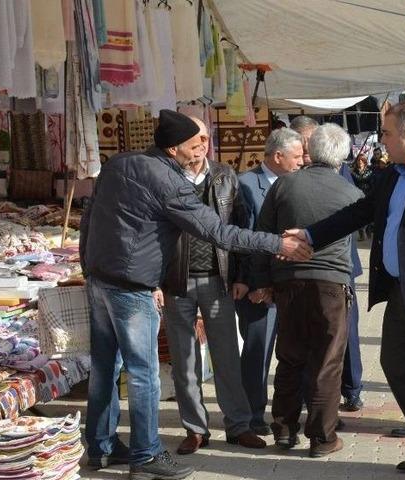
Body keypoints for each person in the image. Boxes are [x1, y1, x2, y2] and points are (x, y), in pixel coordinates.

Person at [80, 110, 311, 480]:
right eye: (193, 144)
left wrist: (87, 266)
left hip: (101, 280)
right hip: (132, 287)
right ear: (173, 149)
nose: (200, 150)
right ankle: (145, 455)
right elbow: (220, 232)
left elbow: (89, 219)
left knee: (106, 367)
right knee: (144, 373)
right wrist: (276, 243)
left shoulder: (120, 163)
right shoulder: (168, 181)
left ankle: (102, 447)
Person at [288, 102, 405, 480]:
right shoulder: (394, 173)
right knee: (396, 367)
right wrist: (310, 234)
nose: (381, 141)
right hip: (399, 291)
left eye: (386, 134)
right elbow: (359, 213)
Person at [250, 123, 364, 458]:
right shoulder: (351, 194)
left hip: (289, 282)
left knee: (289, 357)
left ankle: (284, 431)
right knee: (327, 362)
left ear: (310, 150)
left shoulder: (284, 184)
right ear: (341, 157)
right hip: (331, 284)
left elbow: (262, 235)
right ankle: (321, 437)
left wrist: (263, 281)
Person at [159, 117, 267, 455]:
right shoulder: (165, 176)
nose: (201, 143)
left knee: (226, 357)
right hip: (176, 281)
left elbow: (240, 227)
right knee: (184, 359)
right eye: (195, 138)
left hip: (218, 280)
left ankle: (238, 426)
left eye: (205, 137)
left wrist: (243, 277)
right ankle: (195, 429)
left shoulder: (225, 176)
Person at [291, 116, 367, 414]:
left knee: (345, 331)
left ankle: (352, 388)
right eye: (302, 142)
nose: (307, 147)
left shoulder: (340, 171)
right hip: (301, 266)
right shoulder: (293, 174)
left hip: (340, 265)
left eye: (311, 141)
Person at [234, 127, 305, 435]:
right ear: (278, 156)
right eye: (297, 156)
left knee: (292, 353)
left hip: (291, 284)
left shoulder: (297, 184)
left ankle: (289, 413)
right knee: (257, 353)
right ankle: (252, 415)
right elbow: (242, 238)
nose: (303, 161)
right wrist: (253, 282)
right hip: (258, 288)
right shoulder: (247, 185)